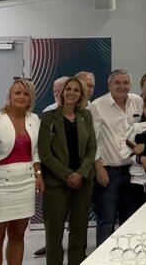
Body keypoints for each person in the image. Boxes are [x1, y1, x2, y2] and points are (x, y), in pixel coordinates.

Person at [0, 78, 43, 265]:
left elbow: (35, 151)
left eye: (26, 94)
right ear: (10, 95)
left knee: (18, 235)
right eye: (17, 93)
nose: (21, 97)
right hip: (0, 185)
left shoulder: (34, 119)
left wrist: (38, 175)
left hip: (25, 182)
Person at [38, 77, 96, 265]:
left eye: (76, 90)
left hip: (83, 181)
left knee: (79, 230)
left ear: (81, 95)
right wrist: (67, 175)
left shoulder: (85, 116)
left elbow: (91, 148)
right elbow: (45, 153)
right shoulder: (49, 117)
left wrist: (80, 173)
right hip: (56, 183)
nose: (71, 93)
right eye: (68, 89)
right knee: (54, 233)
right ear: (62, 92)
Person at [89, 69, 144, 246]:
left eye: (125, 82)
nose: (122, 86)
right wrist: (99, 168)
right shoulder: (97, 106)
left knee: (129, 219)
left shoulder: (138, 101)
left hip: (133, 171)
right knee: (106, 220)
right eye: (117, 83)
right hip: (109, 171)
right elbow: (93, 140)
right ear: (109, 85)